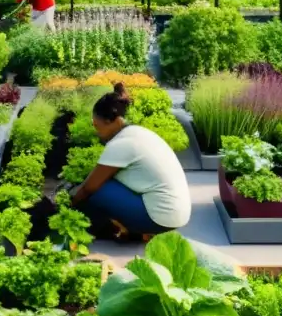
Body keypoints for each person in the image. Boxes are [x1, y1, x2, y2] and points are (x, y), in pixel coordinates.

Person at [71, 84, 192, 240]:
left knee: (97, 192)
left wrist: (70, 204)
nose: (96, 130)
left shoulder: (121, 145)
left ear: (110, 121)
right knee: (103, 183)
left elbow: (89, 188)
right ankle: (137, 230)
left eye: (96, 124)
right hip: (176, 214)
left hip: (160, 218)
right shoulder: (137, 132)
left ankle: (133, 231)